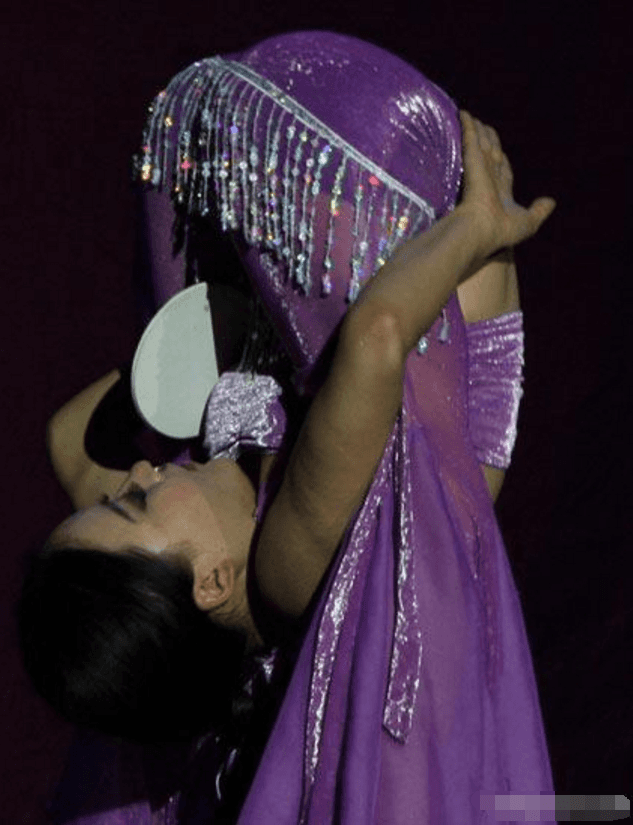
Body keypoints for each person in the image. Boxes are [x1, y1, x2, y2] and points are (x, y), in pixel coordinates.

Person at [18, 31, 557, 824]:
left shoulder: (211, 502)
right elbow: (376, 337)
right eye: (132, 505)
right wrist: (477, 225)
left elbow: (67, 438)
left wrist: (207, 331)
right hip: (447, 388)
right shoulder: (282, 571)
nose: (135, 473)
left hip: (392, 349)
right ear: (210, 583)